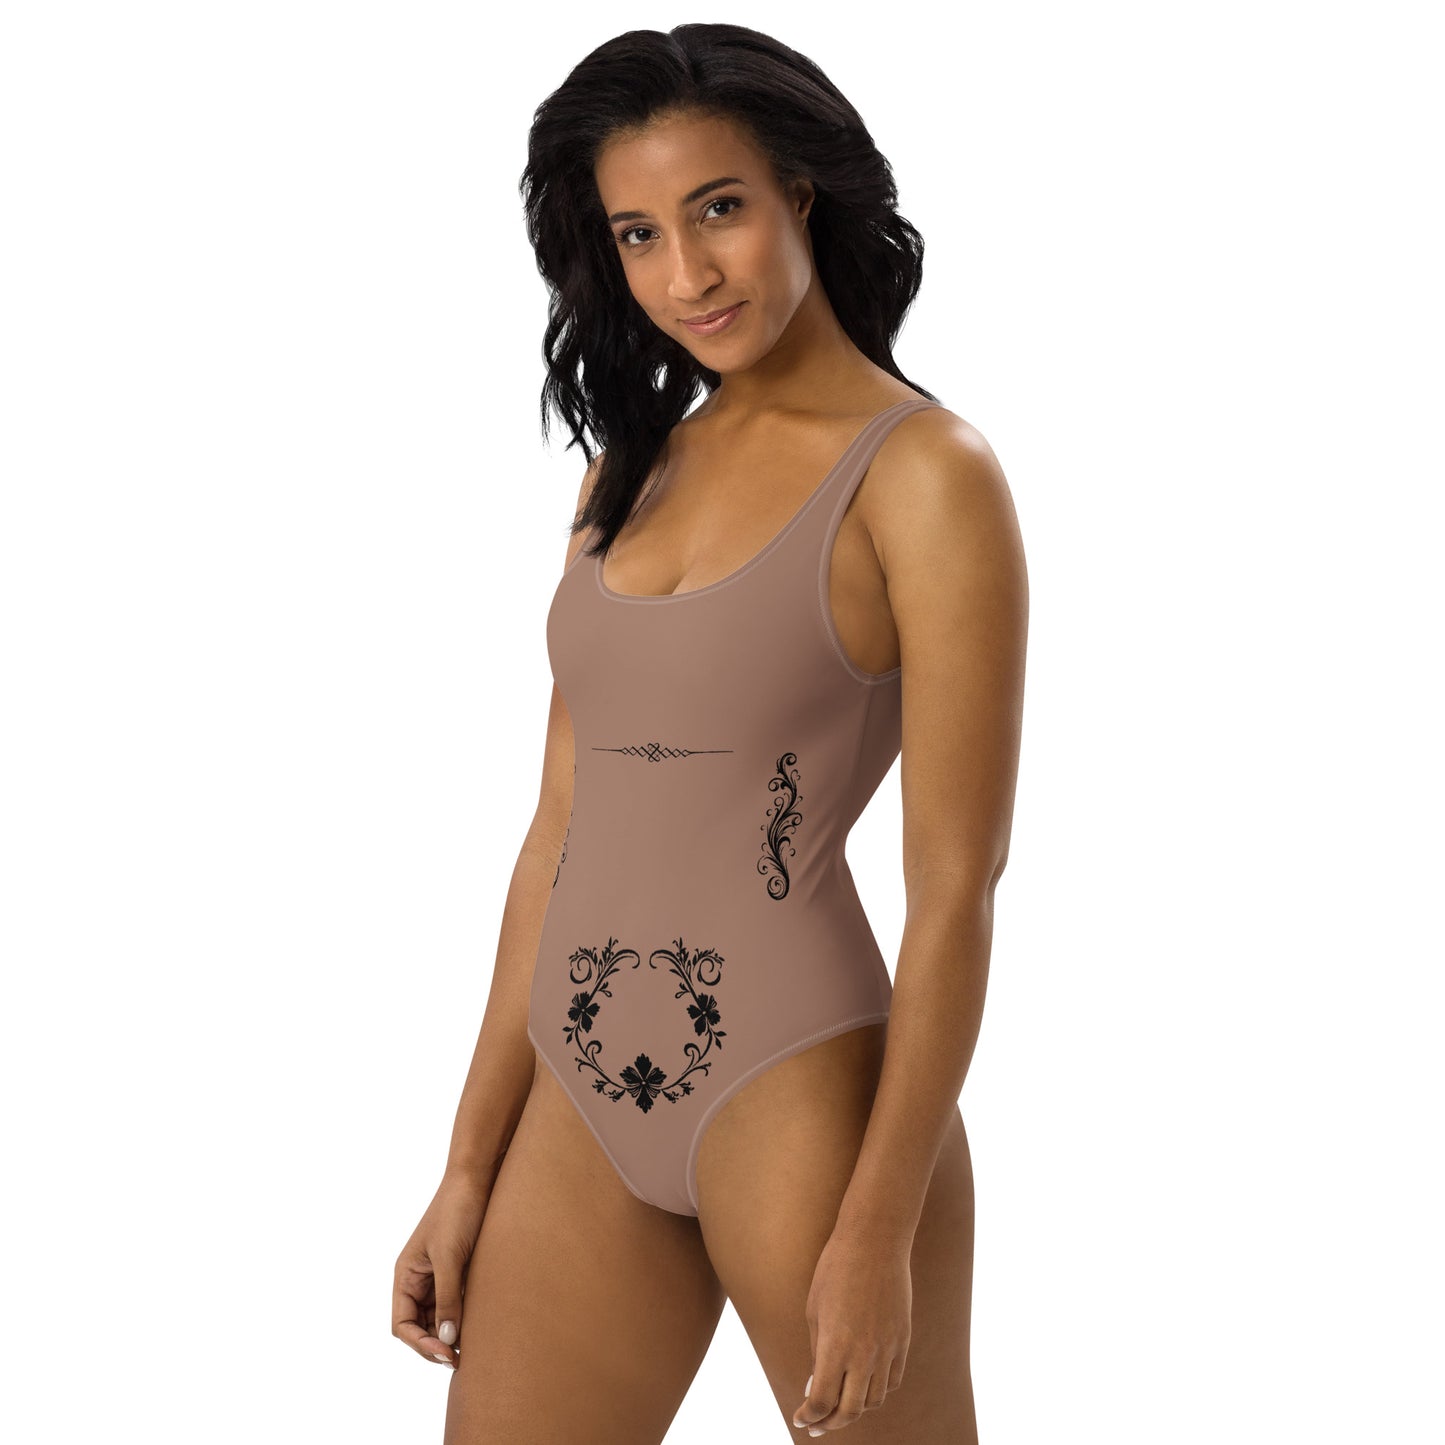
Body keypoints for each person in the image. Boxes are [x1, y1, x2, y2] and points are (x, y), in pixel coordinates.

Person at [392, 23, 1027, 1443]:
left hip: (799, 1094)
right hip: (576, 1094)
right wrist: (466, 1163)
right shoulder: (623, 477)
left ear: (800, 190)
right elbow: (557, 835)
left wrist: (879, 1225)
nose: (686, 273)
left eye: (718, 208)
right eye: (639, 233)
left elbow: (957, 884)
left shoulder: (923, 474)